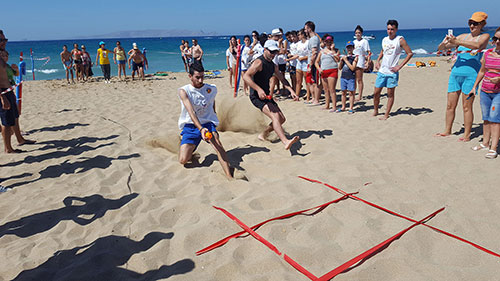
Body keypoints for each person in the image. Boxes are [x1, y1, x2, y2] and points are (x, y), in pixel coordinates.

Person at [436, 12, 490, 141]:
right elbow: (441, 49)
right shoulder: (462, 36)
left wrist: (456, 41)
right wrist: (444, 43)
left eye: (475, 23)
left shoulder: (484, 36)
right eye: (470, 23)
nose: (472, 25)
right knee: (450, 105)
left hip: (471, 76)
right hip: (455, 74)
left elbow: (477, 46)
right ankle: (447, 130)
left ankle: (466, 134)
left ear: (482, 24)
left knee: (466, 107)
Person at [178, 62, 233, 179]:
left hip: (207, 124)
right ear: (190, 76)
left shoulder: (211, 89)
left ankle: (229, 175)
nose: (201, 80)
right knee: (183, 160)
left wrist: (213, 117)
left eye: (202, 76)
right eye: (197, 77)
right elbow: (191, 112)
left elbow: (212, 101)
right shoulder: (184, 91)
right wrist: (201, 129)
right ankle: (191, 145)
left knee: (218, 145)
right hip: (191, 125)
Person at [243, 40, 300, 150]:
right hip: (256, 96)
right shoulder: (259, 62)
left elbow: (282, 79)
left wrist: (292, 91)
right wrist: (258, 89)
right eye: (271, 52)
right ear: (265, 50)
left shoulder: (273, 66)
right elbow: (246, 76)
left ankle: (263, 134)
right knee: (275, 117)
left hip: (266, 95)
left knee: (282, 119)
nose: (273, 54)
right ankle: (285, 141)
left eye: (275, 52)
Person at [0, 30, 35, 154]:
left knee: (15, 116)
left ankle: (20, 139)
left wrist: (15, 70)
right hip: (2, 92)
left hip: (8, 90)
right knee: (6, 121)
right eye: (1, 40)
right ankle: (8, 148)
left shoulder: (2, 56)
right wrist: (2, 97)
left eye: (5, 40)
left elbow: (11, 74)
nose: (4, 42)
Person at [372, 19, 413, 120]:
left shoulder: (400, 40)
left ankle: (386, 114)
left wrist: (399, 66)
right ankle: (376, 110)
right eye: (388, 29)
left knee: (390, 94)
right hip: (382, 71)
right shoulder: (384, 39)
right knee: (376, 92)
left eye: (392, 29)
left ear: (396, 29)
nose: (390, 31)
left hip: (392, 72)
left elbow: (410, 53)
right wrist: (377, 60)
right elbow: (383, 50)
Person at [470, 27, 500, 159]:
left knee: (495, 119)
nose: (497, 41)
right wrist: (474, 86)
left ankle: (493, 148)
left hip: (498, 93)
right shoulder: (487, 53)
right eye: (495, 39)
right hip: (485, 91)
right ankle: (485, 143)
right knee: (486, 118)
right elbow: (482, 71)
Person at [315, 34, 340, 111]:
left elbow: (337, 60)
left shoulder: (336, 50)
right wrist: (319, 69)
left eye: (330, 41)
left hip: (332, 70)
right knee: (326, 90)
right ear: (324, 42)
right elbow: (316, 62)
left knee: (332, 89)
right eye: (327, 41)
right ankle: (327, 105)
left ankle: (334, 106)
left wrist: (332, 50)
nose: (328, 43)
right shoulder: (321, 51)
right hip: (324, 71)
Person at [304, 21, 321, 105]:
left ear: (309, 29)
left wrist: (310, 65)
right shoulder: (311, 39)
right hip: (311, 63)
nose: (305, 31)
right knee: (310, 81)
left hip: (314, 63)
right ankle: (313, 98)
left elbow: (314, 53)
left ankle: (316, 100)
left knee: (315, 82)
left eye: (305, 29)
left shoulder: (314, 39)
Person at [338, 41, 358, 113]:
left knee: (351, 93)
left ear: (353, 48)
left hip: (351, 77)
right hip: (343, 77)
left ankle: (351, 108)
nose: (349, 49)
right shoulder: (345, 57)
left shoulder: (355, 57)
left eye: (351, 47)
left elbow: (353, 68)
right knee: (343, 93)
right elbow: (340, 68)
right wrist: (341, 61)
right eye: (348, 47)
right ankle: (343, 107)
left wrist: (346, 61)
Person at [353, 25, 372, 101]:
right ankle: (353, 94)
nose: (357, 34)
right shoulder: (353, 42)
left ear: (361, 33)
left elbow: (369, 52)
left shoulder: (365, 41)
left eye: (359, 33)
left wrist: (368, 62)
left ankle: (360, 95)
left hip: (361, 62)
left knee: (359, 79)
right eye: (356, 33)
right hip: (354, 62)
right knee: (353, 80)